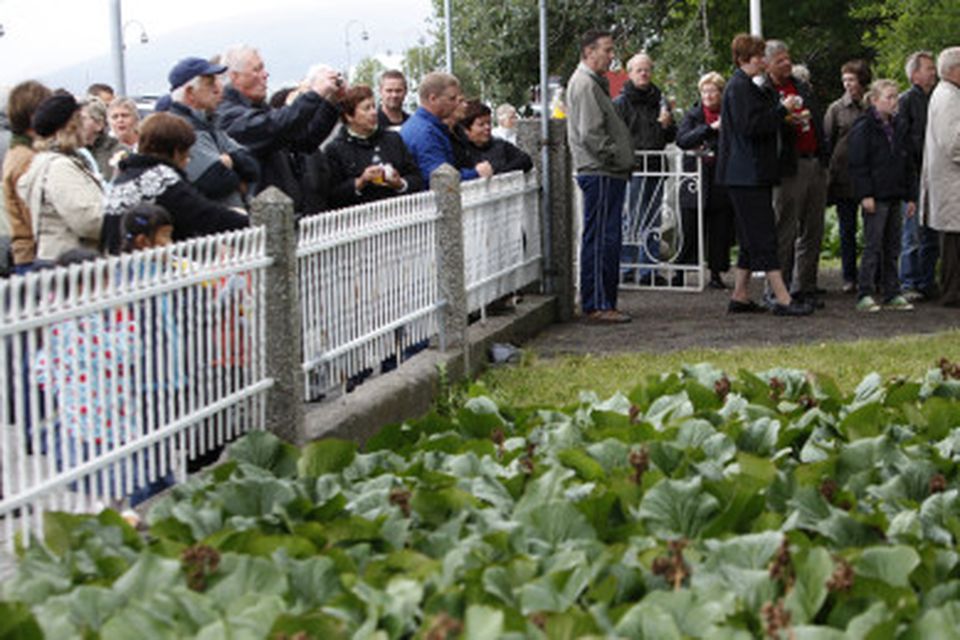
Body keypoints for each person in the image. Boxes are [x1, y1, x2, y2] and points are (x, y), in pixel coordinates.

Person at [715, 33, 812, 316]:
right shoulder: (739, 87)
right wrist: (782, 109)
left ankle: (740, 294)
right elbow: (750, 126)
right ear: (747, 58)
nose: (762, 60)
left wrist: (783, 115)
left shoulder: (744, 86)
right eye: (758, 56)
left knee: (749, 236)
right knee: (764, 233)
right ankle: (782, 297)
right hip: (745, 174)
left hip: (747, 172)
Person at [100, 112, 249, 254]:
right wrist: (256, 223)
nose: (188, 159)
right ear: (176, 151)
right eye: (186, 152)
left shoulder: (123, 178)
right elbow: (204, 215)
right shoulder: (159, 179)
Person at [217, 46, 342, 214]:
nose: (265, 75)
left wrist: (331, 102)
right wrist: (315, 94)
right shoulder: (228, 115)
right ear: (235, 77)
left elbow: (305, 141)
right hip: (262, 218)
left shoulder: (261, 109)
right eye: (257, 69)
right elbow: (275, 127)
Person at [566, 29, 635, 323]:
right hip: (601, 172)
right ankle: (597, 303)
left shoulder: (592, 83)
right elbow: (591, 133)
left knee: (606, 237)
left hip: (605, 171)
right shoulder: (585, 84)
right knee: (602, 239)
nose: (611, 56)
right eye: (606, 50)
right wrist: (617, 158)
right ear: (588, 52)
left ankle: (602, 301)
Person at [763, 40, 829, 307]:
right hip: (788, 167)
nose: (787, 63)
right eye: (780, 60)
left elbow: (817, 119)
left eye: (788, 58)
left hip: (814, 162)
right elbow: (762, 125)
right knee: (785, 230)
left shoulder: (802, 87)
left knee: (813, 229)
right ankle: (779, 290)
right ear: (767, 64)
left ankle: (806, 286)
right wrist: (785, 118)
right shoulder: (765, 92)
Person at [847, 79, 916, 312]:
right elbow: (858, 164)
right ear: (875, 100)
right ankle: (864, 291)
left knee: (893, 246)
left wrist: (911, 195)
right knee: (872, 245)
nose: (894, 101)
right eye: (889, 97)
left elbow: (907, 162)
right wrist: (865, 194)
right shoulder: (864, 126)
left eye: (896, 96)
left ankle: (892, 291)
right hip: (875, 195)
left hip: (895, 193)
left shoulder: (899, 126)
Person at [17, 93, 104, 263]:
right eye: (81, 119)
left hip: (56, 258)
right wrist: (119, 218)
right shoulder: (60, 167)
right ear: (71, 126)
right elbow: (87, 221)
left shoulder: (43, 160)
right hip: (68, 262)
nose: (85, 125)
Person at [614, 52, 676, 285]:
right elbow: (616, 136)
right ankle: (628, 267)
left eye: (647, 69)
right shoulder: (621, 103)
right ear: (629, 74)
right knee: (632, 217)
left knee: (654, 219)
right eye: (639, 70)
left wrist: (668, 125)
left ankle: (648, 270)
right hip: (633, 166)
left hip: (657, 164)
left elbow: (672, 136)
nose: (644, 73)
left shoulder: (660, 100)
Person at [168, 56, 260, 210]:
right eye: (210, 84)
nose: (218, 89)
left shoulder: (210, 123)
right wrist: (234, 174)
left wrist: (228, 161)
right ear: (190, 92)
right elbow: (215, 181)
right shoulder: (182, 129)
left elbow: (251, 166)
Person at [675, 71, 736, 289]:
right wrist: (708, 129)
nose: (708, 95)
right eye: (704, 91)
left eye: (712, 91)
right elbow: (682, 140)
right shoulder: (693, 115)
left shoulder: (730, 114)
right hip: (695, 180)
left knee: (720, 228)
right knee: (690, 226)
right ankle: (681, 271)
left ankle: (716, 273)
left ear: (721, 93)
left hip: (720, 178)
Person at [325, 85, 423, 207]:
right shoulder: (335, 150)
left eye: (373, 107)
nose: (373, 112)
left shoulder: (393, 139)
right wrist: (361, 182)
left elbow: (417, 179)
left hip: (397, 214)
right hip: (359, 220)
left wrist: (400, 184)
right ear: (349, 116)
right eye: (366, 109)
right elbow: (332, 196)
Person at [824, 59, 871, 293]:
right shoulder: (836, 109)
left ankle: (873, 275)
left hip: (870, 177)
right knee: (847, 229)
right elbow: (828, 141)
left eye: (851, 79)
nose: (847, 84)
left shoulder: (872, 105)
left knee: (874, 229)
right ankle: (849, 276)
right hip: (843, 177)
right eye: (844, 80)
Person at [919, 47, 960, 307]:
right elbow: (954, 142)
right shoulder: (948, 97)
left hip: (952, 183)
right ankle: (952, 295)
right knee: (954, 246)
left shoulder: (948, 94)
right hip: (953, 184)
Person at [400, 72, 492, 185]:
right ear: (433, 99)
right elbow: (440, 179)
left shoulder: (423, 126)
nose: (455, 104)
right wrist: (476, 173)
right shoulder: (426, 133)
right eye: (452, 99)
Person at [899, 50, 940, 302]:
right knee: (911, 232)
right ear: (914, 75)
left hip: (932, 173)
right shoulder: (907, 101)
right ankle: (909, 281)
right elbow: (903, 144)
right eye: (928, 68)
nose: (933, 72)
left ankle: (926, 280)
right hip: (913, 174)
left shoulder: (935, 98)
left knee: (930, 232)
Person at [2, 80, 51, 273]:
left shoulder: (19, 151)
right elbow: (30, 210)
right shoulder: (25, 158)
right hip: (31, 253)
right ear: (34, 116)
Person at [459, 100, 532, 174]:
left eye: (489, 123)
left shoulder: (500, 145)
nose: (487, 127)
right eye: (481, 124)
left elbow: (525, 160)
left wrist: (499, 172)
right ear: (466, 130)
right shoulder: (461, 151)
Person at [81, 96, 123, 181]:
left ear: (99, 124)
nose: (75, 124)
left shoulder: (119, 152)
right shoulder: (72, 152)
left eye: (82, 119)